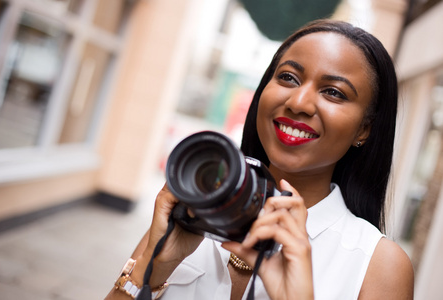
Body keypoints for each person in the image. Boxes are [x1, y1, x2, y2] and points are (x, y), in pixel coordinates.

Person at [105, 19, 414, 300]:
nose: (298, 102)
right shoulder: (193, 208)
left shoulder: (378, 266)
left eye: (333, 92)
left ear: (364, 128)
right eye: (289, 78)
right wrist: (152, 267)